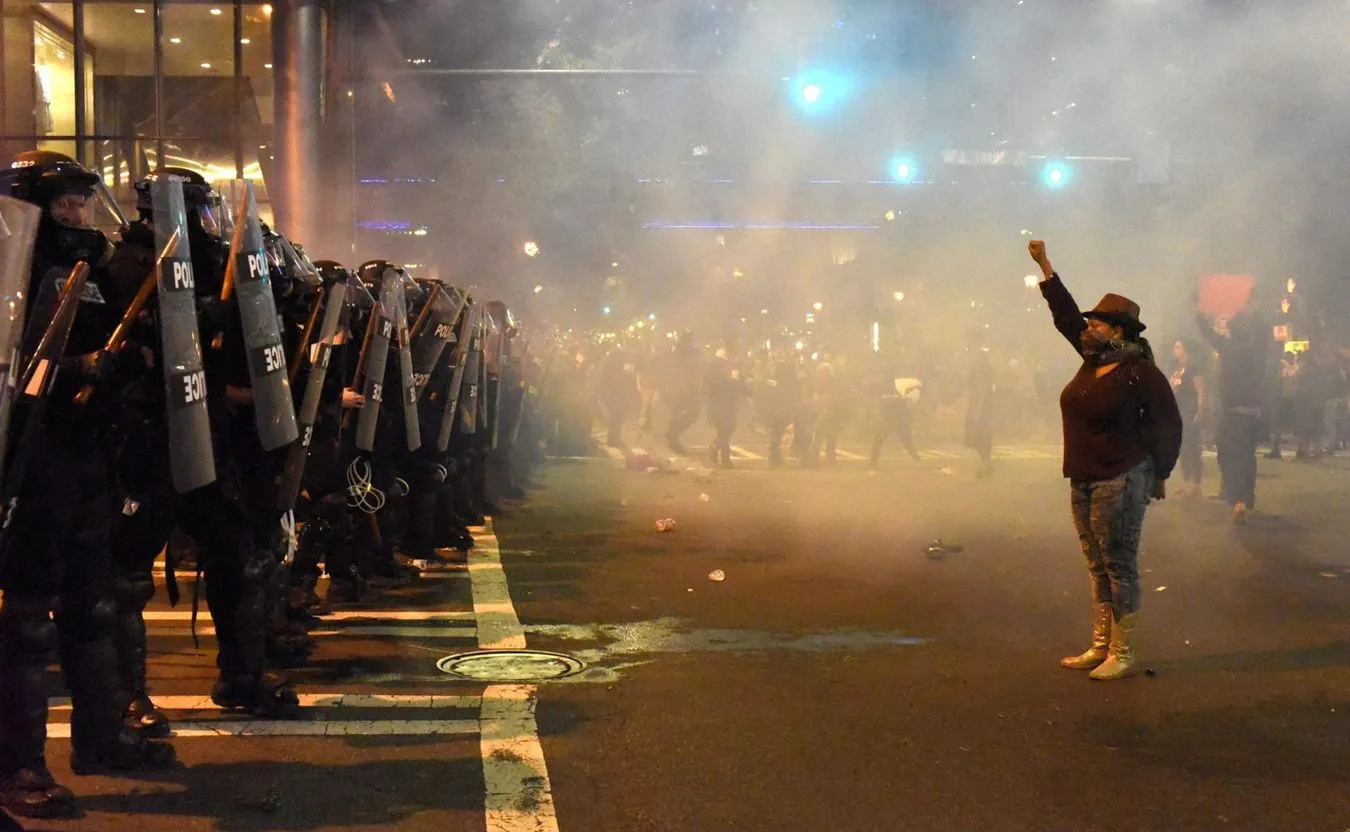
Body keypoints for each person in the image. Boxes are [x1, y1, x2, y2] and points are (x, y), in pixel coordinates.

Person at [0, 151, 174, 820]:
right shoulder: (15, 269)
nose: (76, 213)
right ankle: (18, 765)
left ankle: (101, 739)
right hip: (32, 458)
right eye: (66, 202)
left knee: (90, 606)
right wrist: (72, 365)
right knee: (26, 619)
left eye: (81, 201)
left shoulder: (96, 273)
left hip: (86, 456)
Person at [1030, 240, 1182, 681]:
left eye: (1096, 322)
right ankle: (1101, 646)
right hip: (1084, 476)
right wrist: (1045, 266)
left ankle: (1125, 649)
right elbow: (1064, 316)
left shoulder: (1139, 372)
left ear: (1118, 331)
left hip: (1122, 476)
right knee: (1096, 562)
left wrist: (1160, 472)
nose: (1087, 327)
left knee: (1119, 563)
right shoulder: (1090, 362)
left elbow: (1167, 423)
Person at [1196, 291, 1268, 523]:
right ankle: (1246, 499)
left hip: (1233, 412)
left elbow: (1208, 334)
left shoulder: (1230, 348)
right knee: (1247, 456)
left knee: (1228, 454)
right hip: (1253, 411)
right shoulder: (1257, 350)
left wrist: (1199, 314)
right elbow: (1264, 332)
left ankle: (1237, 499)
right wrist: (1254, 312)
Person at [1169, 338, 1208, 498]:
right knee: (1182, 446)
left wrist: (1200, 410)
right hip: (1179, 409)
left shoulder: (1193, 367)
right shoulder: (1179, 368)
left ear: (1186, 349)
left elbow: (1200, 390)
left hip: (1189, 409)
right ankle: (1186, 481)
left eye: (1178, 347)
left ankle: (1196, 483)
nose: (1175, 350)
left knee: (1192, 445)